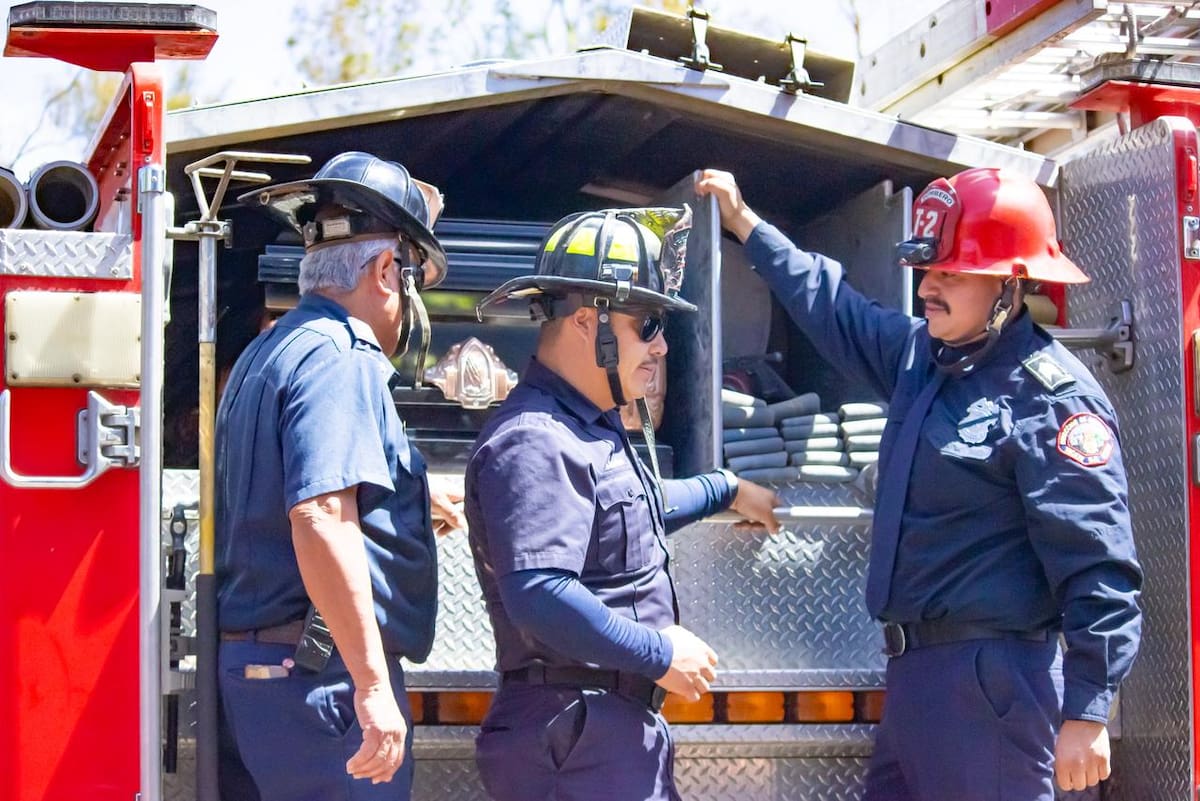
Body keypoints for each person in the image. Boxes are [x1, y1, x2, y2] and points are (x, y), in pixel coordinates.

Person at [695, 167, 1143, 801]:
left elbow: (1098, 565)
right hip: (916, 678)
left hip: (994, 685)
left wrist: (1089, 709)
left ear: (1009, 284)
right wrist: (747, 225)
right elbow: (834, 309)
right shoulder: (920, 358)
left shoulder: (1053, 402)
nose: (929, 287)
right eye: (928, 270)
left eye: (951, 273)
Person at [465, 207, 782, 801]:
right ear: (589, 322)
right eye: (649, 324)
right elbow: (539, 593)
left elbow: (633, 510)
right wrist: (659, 652)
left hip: (599, 733)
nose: (662, 346)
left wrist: (727, 489)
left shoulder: (584, 427)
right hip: (578, 736)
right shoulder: (537, 438)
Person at [215, 151, 466, 801]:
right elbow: (320, 514)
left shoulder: (266, 352)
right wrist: (374, 685)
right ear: (388, 269)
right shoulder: (340, 356)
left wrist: (406, 496)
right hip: (319, 678)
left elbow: (279, 496)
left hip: (266, 676)